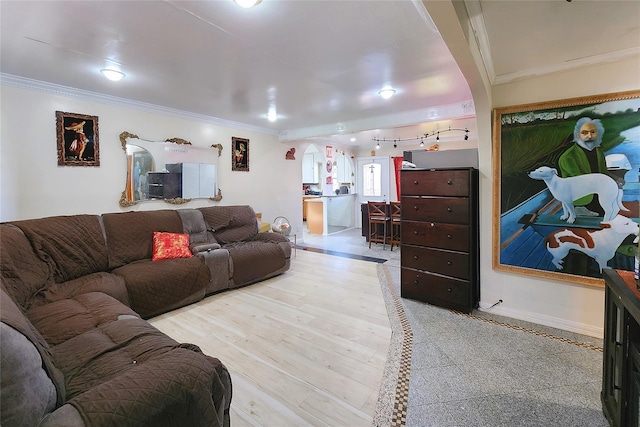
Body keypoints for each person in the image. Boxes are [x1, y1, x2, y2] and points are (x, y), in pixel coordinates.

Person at [558, 117, 608, 216]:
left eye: (593, 132)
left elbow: (603, 173)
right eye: (584, 133)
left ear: (598, 134)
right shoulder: (568, 157)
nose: (589, 136)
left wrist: (616, 179)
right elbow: (582, 180)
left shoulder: (598, 152)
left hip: (599, 196)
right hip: (583, 202)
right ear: (578, 135)